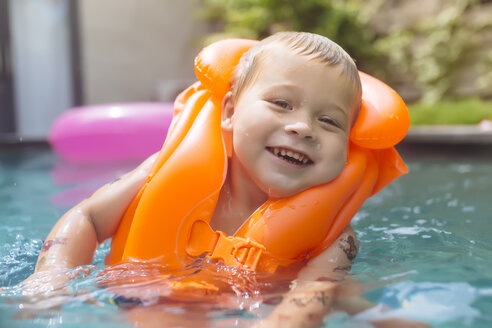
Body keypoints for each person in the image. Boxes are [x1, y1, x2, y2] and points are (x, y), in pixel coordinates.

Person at [25, 32, 426, 328]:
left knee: (364, 304)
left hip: (252, 310)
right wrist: (52, 275)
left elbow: (309, 298)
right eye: (281, 104)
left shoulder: (337, 234)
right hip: (134, 299)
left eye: (329, 121)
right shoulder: (162, 172)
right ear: (230, 111)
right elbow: (87, 219)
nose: (303, 128)